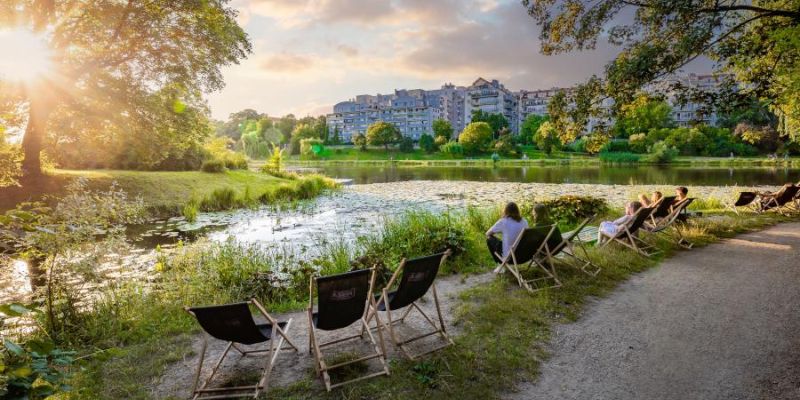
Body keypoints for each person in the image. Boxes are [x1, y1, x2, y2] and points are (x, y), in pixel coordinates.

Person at [486, 202, 528, 273]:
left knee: (489, 238)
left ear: (506, 211)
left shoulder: (504, 221)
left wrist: (500, 231)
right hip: (524, 255)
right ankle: (503, 263)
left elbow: (487, 233)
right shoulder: (524, 221)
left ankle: (501, 263)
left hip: (510, 257)